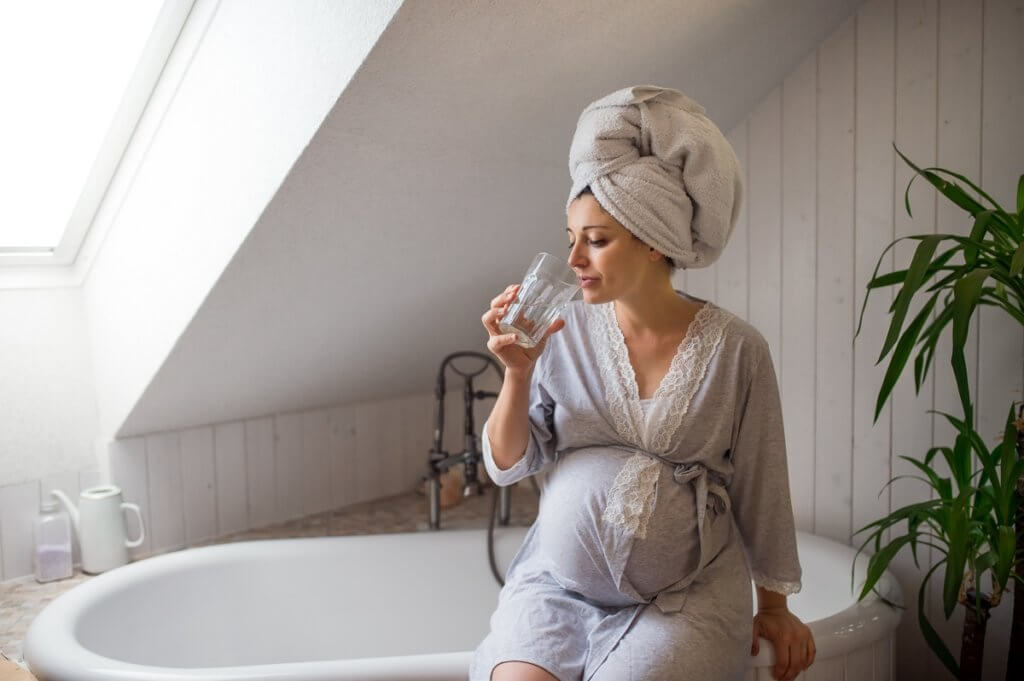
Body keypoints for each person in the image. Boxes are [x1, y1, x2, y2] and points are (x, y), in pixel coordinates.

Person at [470, 86, 815, 681]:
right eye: (570, 237)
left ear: (655, 243)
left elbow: (764, 479)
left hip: (683, 598)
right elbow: (505, 463)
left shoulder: (737, 349)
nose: (575, 258)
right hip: (558, 589)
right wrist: (517, 373)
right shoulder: (560, 331)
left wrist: (777, 607)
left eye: (597, 240)